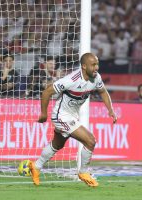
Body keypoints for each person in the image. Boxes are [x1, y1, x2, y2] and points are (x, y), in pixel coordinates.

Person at [28, 53, 117, 187]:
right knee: (90, 140)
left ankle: (36, 166)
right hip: (61, 115)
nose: (96, 67)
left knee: (57, 144)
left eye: (97, 64)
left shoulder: (96, 78)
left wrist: (110, 110)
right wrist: (43, 113)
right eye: (93, 65)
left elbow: (103, 91)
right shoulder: (71, 79)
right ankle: (83, 172)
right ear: (84, 66)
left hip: (72, 115)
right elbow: (47, 92)